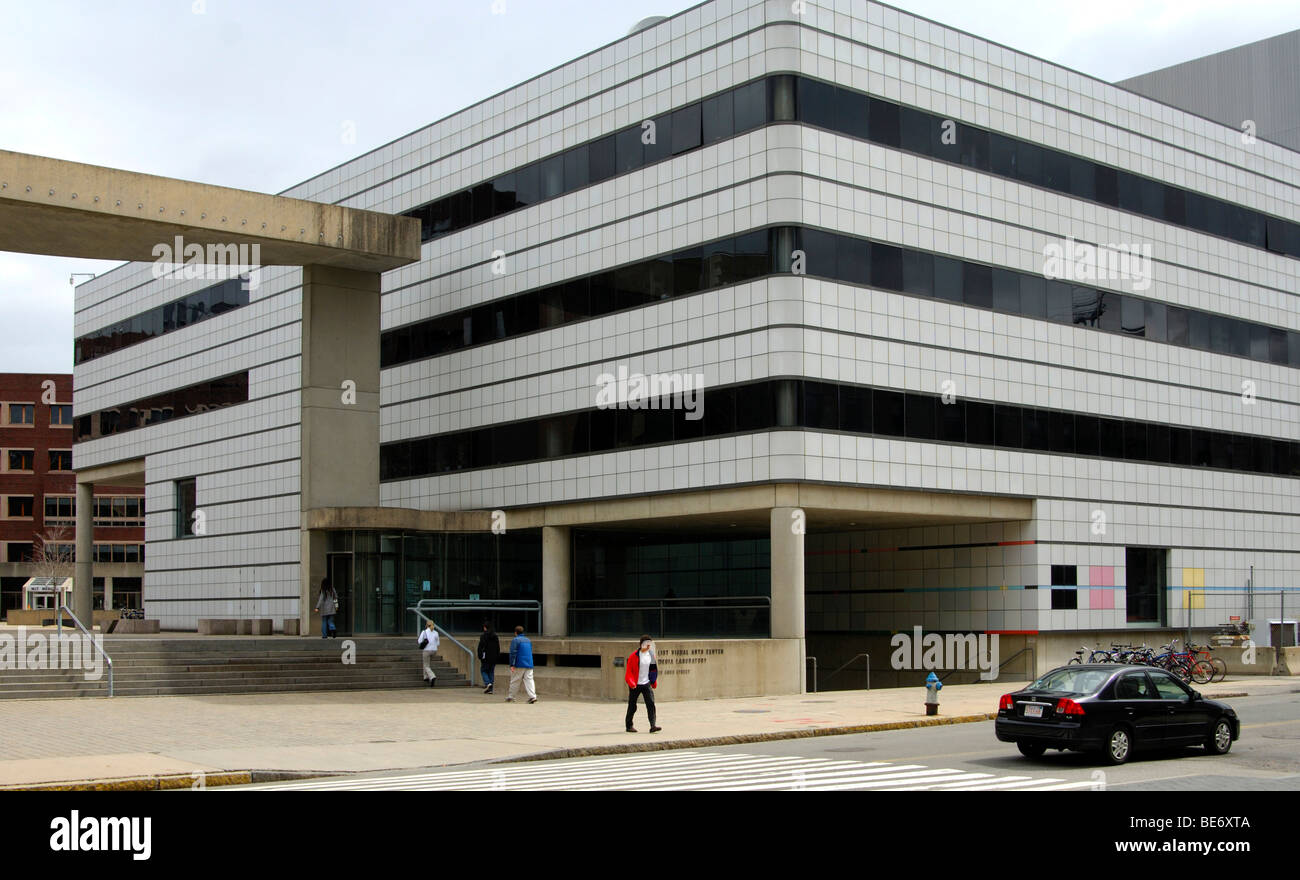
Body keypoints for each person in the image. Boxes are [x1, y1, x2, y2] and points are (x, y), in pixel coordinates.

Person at [624, 635, 661, 733]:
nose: (649, 646)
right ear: (641, 645)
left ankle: (653, 725)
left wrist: (653, 682)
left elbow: (653, 670)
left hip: (646, 683)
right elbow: (629, 672)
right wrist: (631, 682)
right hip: (635, 684)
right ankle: (629, 725)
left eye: (650, 644)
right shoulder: (633, 656)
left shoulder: (651, 656)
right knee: (632, 705)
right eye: (646, 644)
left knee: (651, 704)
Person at [506, 625, 536, 703]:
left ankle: (511, 696)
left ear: (515, 633)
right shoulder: (528, 640)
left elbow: (513, 653)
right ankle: (533, 696)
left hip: (519, 663)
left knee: (515, 680)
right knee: (529, 680)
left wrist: (512, 664)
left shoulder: (515, 640)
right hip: (529, 663)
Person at [477, 621, 500, 694]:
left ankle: (488, 683)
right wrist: (497, 656)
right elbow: (498, 647)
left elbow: (480, 647)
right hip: (493, 657)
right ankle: (490, 689)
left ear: (485, 628)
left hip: (486, 657)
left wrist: (480, 656)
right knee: (491, 672)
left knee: (483, 670)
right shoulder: (495, 636)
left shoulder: (483, 636)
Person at [417, 619, 440, 687]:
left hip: (427, 650)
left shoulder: (424, 632)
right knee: (427, 663)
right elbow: (438, 643)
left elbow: (419, 641)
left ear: (427, 625)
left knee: (426, 665)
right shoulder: (436, 633)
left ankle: (432, 677)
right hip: (434, 651)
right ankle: (425, 677)